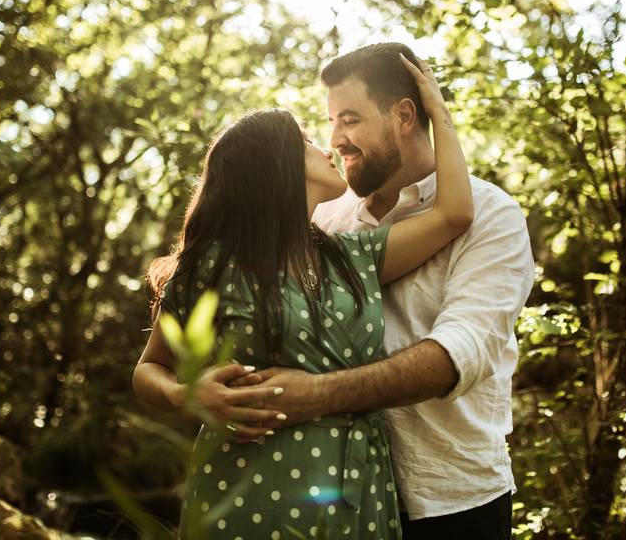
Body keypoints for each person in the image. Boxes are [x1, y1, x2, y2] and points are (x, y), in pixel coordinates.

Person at [132, 52, 473, 539]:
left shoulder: (351, 257)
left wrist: (437, 114)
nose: (329, 146)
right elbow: (149, 369)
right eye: (309, 140)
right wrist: (188, 395)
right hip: (249, 494)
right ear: (277, 167)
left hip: (361, 489)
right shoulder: (211, 266)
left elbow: (454, 215)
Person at [249, 42, 536, 540]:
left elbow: (457, 356)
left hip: (453, 503)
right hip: (336, 496)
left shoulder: (493, 217)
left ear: (404, 115)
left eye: (350, 119)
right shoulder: (324, 221)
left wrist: (314, 396)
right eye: (331, 122)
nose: (335, 139)